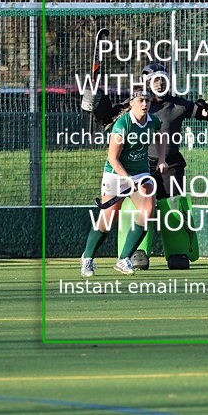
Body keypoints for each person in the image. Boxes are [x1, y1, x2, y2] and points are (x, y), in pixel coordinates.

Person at [142, 62, 208, 269]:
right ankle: (138, 252)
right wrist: (98, 106)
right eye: (154, 80)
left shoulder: (179, 105)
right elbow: (110, 118)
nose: (159, 83)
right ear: (147, 82)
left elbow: (205, 114)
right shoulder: (139, 104)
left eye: (162, 79)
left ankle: (178, 252)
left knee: (173, 206)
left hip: (171, 165)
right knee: (142, 207)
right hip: (141, 164)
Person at [81, 90, 167, 277]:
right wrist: (127, 180)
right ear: (132, 103)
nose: (145, 104)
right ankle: (87, 258)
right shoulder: (122, 124)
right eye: (141, 100)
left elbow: (160, 135)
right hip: (116, 174)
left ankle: (124, 259)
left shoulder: (153, 121)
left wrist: (161, 159)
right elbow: (112, 158)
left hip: (140, 172)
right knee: (107, 220)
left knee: (148, 210)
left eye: (147, 100)